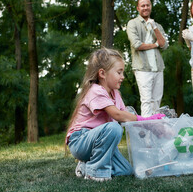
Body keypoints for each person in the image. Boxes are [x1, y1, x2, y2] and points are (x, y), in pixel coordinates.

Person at [65, 48, 165, 182]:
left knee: (126, 171)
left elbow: (127, 118)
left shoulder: (115, 94)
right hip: (80, 141)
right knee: (114, 128)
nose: (122, 76)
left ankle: (86, 165)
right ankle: (95, 171)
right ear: (102, 73)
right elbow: (118, 115)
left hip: (98, 142)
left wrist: (152, 127)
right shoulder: (95, 91)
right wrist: (148, 120)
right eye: (119, 72)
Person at [126, 0, 169, 117]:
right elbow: (136, 45)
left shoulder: (158, 25)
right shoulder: (132, 23)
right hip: (142, 68)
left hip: (158, 68)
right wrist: (155, 44)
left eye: (148, 5)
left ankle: (155, 132)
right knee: (146, 101)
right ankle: (146, 134)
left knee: (156, 102)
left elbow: (164, 45)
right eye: (143, 5)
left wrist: (154, 28)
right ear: (138, 8)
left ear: (151, 7)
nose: (145, 8)